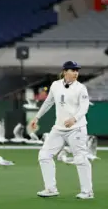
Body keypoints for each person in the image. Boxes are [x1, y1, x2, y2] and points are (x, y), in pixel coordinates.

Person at [30, 61, 93, 200]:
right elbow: (48, 102)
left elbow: (84, 107)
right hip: (58, 128)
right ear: (65, 72)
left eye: (77, 70)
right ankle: (50, 189)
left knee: (80, 158)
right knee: (44, 155)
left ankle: (87, 191)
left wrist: (74, 119)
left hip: (76, 128)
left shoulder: (81, 88)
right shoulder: (55, 85)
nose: (76, 73)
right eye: (73, 70)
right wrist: (37, 117)